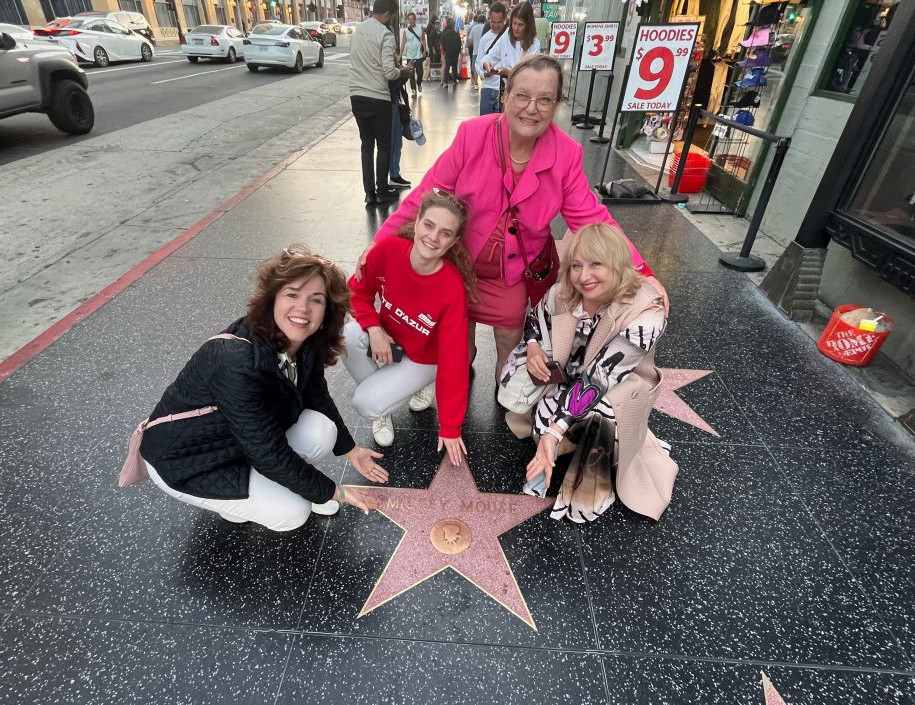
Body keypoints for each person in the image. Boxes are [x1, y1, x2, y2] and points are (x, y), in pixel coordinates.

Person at [360, 55, 649, 387]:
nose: (532, 108)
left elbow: (591, 217)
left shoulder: (566, 153)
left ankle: (503, 395)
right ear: (506, 96)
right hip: (458, 266)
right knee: (458, 347)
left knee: (508, 351)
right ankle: (456, 385)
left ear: (555, 106)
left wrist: (642, 272)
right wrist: (379, 242)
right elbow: (427, 193)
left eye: (545, 99)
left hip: (512, 274)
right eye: (523, 96)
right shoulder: (473, 134)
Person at [140, 248, 387, 532]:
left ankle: (267, 490)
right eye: (292, 295)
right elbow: (268, 452)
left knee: (323, 429)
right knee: (292, 512)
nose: (303, 309)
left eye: (315, 300)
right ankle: (234, 503)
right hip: (187, 461)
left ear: (327, 310)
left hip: (238, 443)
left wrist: (352, 451)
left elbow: (316, 396)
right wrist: (335, 492)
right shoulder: (234, 360)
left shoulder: (304, 343)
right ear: (272, 299)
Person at [502, 224, 677, 524]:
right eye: (576, 266)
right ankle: (564, 440)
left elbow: (601, 378)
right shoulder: (565, 292)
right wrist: (532, 347)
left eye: (596, 264)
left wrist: (554, 434)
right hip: (574, 378)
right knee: (543, 424)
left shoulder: (648, 311)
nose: (584, 276)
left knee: (600, 413)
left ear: (618, 263)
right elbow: (535, 315)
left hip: (621, 387)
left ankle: (592, 488)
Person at [344, 190, 475, 464]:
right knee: (349, 335)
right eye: (429, 225)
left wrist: (450, 426)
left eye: (445, 233)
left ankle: (415, 385)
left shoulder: (451, 289)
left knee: (364, 403)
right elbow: (356, 291)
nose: (433, 237)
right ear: (416, 223)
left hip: (425, 358)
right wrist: (373, 327)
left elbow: (455, 359)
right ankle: (385, 409)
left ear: (454, 241)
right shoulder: (388, 250)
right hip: (391, 341)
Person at [349, 0, 414, 206]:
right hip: (378, 97)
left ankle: (369, 193)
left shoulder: (358, 30)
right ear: (388, 14)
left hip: (356, 95)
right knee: (384, 146)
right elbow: (388, 72)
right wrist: (403, 71)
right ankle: (383, 190)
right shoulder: (385, 34)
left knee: (366, 145)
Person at [480, 1, 540, 93]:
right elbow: (488, 57)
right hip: (507, 93)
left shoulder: (534, 44)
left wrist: (507, 72)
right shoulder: (506, 36)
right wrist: (486, 64)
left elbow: (529, 75)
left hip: (524, 93)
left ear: (528, 26)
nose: (516, 28)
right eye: (514, 23)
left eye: (520, 25)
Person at [475, 3, 508, 115]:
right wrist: (485, 74)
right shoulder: (485, 39)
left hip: (504, 89)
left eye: (499, 22)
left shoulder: (510, 37)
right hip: (487, 89)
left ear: (504, 19)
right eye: (493, 22)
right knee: (485, 124)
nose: (495, 25)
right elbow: (478, 62)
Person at [400, 11, 428, 96]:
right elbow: (403, 43)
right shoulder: (405, 30)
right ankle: (413, 90)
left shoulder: (420, 28)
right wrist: (400, 54)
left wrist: (424, 51)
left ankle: (419, 83)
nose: (411, 21)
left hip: (418, 55)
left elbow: (423, 39)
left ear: (415, 20)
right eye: (409, 19)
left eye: (412, 19)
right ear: (408, 20)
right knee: (411, 74)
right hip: (409, 56)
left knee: (420, 72)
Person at [466, 13, 485, 92]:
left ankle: (476, 84)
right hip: (484, 52)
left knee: (474, 68)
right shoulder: (485, 27)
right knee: (484, 67)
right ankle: (484, 83)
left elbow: (470, 39)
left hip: (475, 51)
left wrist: (474, 44)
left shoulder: (474, 28)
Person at [440, 17, 461, 87]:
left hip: (448, 52)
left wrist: (446, 50)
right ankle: (455, 81)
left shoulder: (445, 33)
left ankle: (446, 82)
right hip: (455, 53)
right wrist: (458, 52)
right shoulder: (456, 34)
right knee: (454, 67)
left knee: (447, 67)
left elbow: (442, 43)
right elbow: (459, 44)